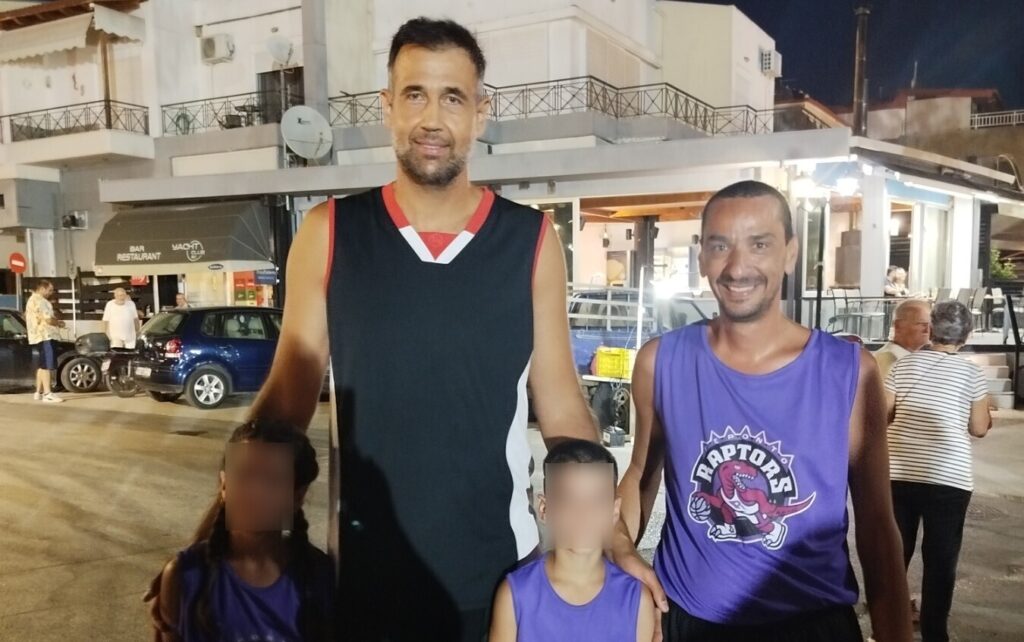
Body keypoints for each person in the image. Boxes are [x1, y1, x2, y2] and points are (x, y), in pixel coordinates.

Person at [146, 17, 600, 642]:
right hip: (363, 583)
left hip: (501, 580)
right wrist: (208, 541)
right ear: (387, 108)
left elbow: (563, 407)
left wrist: (611, 541)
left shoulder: (532, 241)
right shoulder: (330, 233)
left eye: (453, 98)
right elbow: (282, 408)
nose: (432, 119)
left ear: (481, 114)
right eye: (415, 95)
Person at [611, 180, 913, 641]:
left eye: (759, 244)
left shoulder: (850, 372)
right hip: (689, 621)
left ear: (790, 253)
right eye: (720, 246)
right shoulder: (660, 361)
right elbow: (639, 474)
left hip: (812, 626)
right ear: (701, 257)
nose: (737, 267)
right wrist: (617, 544)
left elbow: (876, 523)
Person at [153, 419, 334, 642]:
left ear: (298, 496)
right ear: (224, 485)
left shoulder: (318, 577)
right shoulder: (186, 574)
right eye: (244, 475)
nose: (254, 492)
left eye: (271, 480)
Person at [884, 301, 991, 642]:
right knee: (940, 561)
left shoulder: (902, 366)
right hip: (948, 478)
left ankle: (889, 630)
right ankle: (934, 633)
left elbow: (883, 414)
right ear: (967, 335)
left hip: (899, 473)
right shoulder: (972, 374)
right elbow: (978, 428)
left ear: (930, 329)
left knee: (895, 555)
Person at [489, 439, 655, 642]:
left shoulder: (637, 600)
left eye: (596, 500)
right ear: (544, 508)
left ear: (614, 510)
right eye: (569, 500)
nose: (583, 514)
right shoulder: (515, 595)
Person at [25, 280, 64, 403]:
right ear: (42, 289)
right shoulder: (41, 301)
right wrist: (59, 323)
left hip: (37, 335)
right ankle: (48, 393)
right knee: (47, 365)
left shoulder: (31, 300)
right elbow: (48, 319)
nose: (51, 293)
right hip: (46, 335)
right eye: (49, 290)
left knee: (42, 365)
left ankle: (38, 392)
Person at [875, 299, 932, 380]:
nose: (927, 330)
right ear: (898, 326)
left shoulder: (922, 358)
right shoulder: (886, 361)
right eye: (921, 324)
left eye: (930, 325)